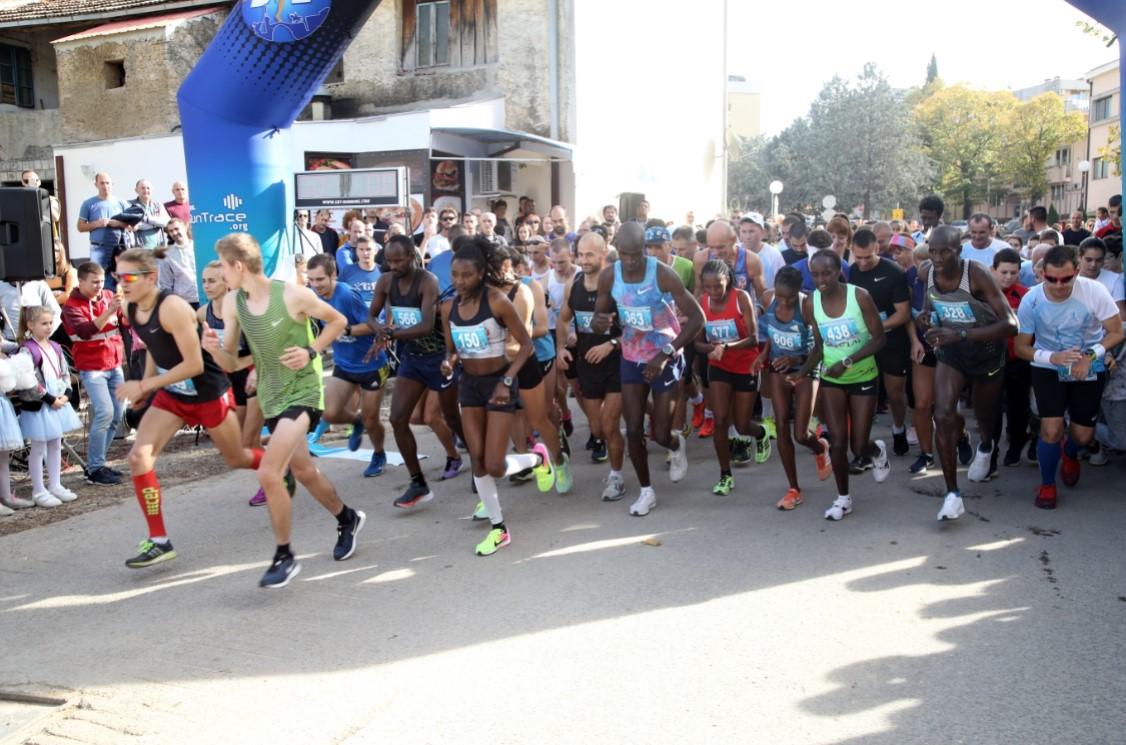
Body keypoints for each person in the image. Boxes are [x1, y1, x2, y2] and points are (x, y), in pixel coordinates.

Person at [203, 233, 365, 589]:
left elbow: (337, 321)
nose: (221, 277)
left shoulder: (292, 294)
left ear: (238, 266)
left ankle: (284, 555)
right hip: (272, 395)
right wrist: (213, 349)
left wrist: (311, 351)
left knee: (269, 472)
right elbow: (231, 362)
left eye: (223, 268)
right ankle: (347, 518)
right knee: (304, 471)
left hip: (305, 391)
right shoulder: (234, 304)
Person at [110, 250, 261, 566]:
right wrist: (148, 383)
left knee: (239, 458)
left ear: (151, 278)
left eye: (128, 277)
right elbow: (154, 346)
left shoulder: (174, 308)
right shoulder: (131, 306)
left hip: (207, 393)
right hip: (172, 396)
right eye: (117, 276)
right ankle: (159, 540)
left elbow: (194, 365)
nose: (121, 283)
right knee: (138, 457)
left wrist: (143, 385)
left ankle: (277, 463)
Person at [440, 237, 551, 556]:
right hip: (470, 386)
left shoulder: (498, 300)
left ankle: (537, 457)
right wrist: (448, 362)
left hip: (499, 384)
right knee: (478, 462)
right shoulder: (449, 307)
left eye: (467, 275)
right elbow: (453, 349)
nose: (460, 282)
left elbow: (526, 345)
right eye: (455, 275)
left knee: (496, 465)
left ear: (481, 273)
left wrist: (506, 380)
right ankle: (499, 529)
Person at [593, 222, 704, 516]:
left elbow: (697, 318)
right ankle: (646, 491)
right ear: (617, 250)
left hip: (663, 355)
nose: (630, 260)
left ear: (643, 249)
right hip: (631, 356)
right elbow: (598, 317)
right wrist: (599, 323)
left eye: (635, 254)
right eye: (625, 254)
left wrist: (665, 354)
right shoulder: (609, 275)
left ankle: (675, 443)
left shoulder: (661, 274)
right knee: (631, 429)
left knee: (660, 433)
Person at [917, 225, 1018, 521]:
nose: (937, 258)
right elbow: (930, 304)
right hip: (952, 354)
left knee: (986, 417)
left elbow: (1011, 325)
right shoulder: (927, 271)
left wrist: (960, 333)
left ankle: (987, 446)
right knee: (943, 413)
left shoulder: (975, 274)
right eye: (932, 251)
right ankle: (952, 494)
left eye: (944, 251)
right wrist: (926, 317)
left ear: (958, 251)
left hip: (986, 354)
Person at [1015, 244, 1124, 509]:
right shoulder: (1031, 299)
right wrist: (1052, 358)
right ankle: (1048, 484)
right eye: (1052, 279)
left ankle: (1071, 452)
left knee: (1083, 436)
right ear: (1041, 274)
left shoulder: (1094, 291)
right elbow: (1021, 347)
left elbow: (1117, 332)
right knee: (1051, 430)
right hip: (1048, 366)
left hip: (1088, 366)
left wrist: (1090, 356)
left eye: (1066, 279)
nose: (1059, 285)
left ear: (1076, 272)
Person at [791, 250, 890, 521]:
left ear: (839, 272)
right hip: (832, 379)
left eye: (827, 273)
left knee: (859, 446)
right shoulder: (811, 303)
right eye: (815, 274)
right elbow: (820, 346)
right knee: (837, 441)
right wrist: (802, 372)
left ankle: (877, 450)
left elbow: (880, 339)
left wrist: (847, 360)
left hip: (863, 376)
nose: (821, 279)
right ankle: (843, 499)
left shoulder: (859, 297)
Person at [368, 235, 465, 507]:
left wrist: (392, 334)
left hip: (438, 358)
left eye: (399, 260)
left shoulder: (427, 282)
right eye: (390, 260)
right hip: (412, 359)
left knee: (452, 419)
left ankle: (477, 462)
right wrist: (379, 331)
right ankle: (418, 483)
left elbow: (424, 325)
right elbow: (371, 316)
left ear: (412, 255)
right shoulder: (386, 281)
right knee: (399, 418)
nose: (394, 265)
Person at [305, 254, 389, 476]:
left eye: (320, 279)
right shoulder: (314, 296)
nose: (315, 285)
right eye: (311, 280)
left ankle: (379, 453)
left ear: (334, 275)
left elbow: (374, 325)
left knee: (373, 420)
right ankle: (356, 421)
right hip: (344, 364)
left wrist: (348, 330)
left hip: (370, 364)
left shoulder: (346, 295)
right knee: (331, 414)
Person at [495, 247, 571, 492]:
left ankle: (558, 451)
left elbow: (540, 327)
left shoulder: (530, 287)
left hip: (540, 354)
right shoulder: (486, 293)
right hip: (507, 360)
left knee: (544, 413)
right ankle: (525, 459)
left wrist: (508, 335)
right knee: (516, 413)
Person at [754, 267, 831, 509]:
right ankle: (794, 489)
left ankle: (820, 447)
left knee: (801, 434)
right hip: (778, 367)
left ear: (798, 291)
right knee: (781, 428)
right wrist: (762, 357)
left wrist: (797, 364)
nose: (784, 302)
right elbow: (769, 334)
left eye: (789, 298)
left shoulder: (807, 306)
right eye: (780, 296)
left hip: (806, 368)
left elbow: (820, 349)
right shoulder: (769, 298)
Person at [557, 233, 626, 500]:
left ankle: (617, 477)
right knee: (597, 429)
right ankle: (620, 438)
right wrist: (561, 347)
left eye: (590, 255)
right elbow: (563, 320)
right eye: (580, 254)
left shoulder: (618, 287)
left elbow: (636, 330)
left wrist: (611, 344)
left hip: (617, 363)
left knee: (609, 424)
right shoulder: (572, 286)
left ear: (603, 254)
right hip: (587, 364)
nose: (583, 260)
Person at [694, 260, 767, 496]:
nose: (714, 292)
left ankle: (761, 433)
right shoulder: (702, 303)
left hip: (745, 364)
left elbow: (754, 338)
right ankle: (725, 475)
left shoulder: (741, 298)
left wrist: (726, 346)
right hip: (719, 367)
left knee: (742, 424)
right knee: (721, 419)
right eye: (708, 287)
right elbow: (697, 342)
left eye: (719, 286)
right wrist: (711, 350)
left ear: (728, 281)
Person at [198, 261, 264, 505]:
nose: (206, 285)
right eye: (204, 280)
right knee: (238, 442)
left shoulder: (242, 309)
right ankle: (280, 457)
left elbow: (264, 344)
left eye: (212, 280)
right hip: (229, 378)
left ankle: (273, 479)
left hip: (254, 373)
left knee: (249, 440)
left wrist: (256, 369)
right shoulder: (202, 313)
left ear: (227, 283)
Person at [847, 228, 913, 456]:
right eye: (858, 257)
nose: (863, 262)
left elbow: (903, 314)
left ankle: (898, 427)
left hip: (892, 339)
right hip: (864, 342)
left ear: (877, 248)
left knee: (895, 393)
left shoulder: (893, 272)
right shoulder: (851, 272)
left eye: (868, 257)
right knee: (865, 392)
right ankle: (862, 442)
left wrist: (876, 327)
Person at [61, 262, 125, 486]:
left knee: (117, 415)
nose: (100, 286)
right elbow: (86, 332)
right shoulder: (71, 306)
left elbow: (123, 324)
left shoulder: (109, 295)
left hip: (114, 364)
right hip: (93, 368)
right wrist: (110, 311)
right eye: (94, 282)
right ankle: (95, 468)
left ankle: (96, 464)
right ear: (81, 282)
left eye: (101, 281)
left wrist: (125, 309)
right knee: (105, 414)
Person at [16, 306, 82, 507]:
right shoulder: (27, 349)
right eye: (43, 323)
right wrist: (49, 398)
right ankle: (38, 490)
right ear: (30, 325)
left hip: (57, 400)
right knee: (38, 448)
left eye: (50, 323)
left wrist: (66, 394)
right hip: (41, 403)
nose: (48, 327)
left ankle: (55, 484)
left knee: (56, 443)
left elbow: (64, 373)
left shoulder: (55, 346)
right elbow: (29, 380)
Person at [990, 249, 1031, 467]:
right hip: (989, 361)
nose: (1008, 277)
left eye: (1013, 272)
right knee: (992, 409)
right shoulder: (982, 294)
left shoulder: (1026, 295)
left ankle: (1016, 446)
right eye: (1004, 272)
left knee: (1018, 407)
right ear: (993, 270)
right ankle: (991, 450)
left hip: (1018, 361)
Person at [76, 172, 131, 291]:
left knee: (122, 279)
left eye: (107, 183)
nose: (105, 186)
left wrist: (118, 224)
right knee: (98, 279)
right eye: (102, 183)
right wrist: (97, 224)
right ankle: (102, 307)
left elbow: (134, 226)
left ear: (112, 184)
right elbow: (80, 227)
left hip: (118, 249)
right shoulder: (88, 204)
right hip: (98, 248)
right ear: (96, 184)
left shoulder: (122, 203)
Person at [1077, 237, 1126, 319]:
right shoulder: (1069, 278)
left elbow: (1122, 316)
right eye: (1089, 260)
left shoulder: (1114, 280)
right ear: (1079, 258)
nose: (1093, 264)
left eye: (1098, 260)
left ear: (1103, 260)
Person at [156, 219, 199, 307]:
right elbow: (165, 283)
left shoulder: (199, 246)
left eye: (176, 229)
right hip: (184, 301)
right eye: (171, 231)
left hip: (203, 298)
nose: (174, 233)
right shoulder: (167, 255)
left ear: (185, 227)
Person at [130, 179, 171, 250]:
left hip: (158, 249)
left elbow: (167, 222)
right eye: (143, 188)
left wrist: (146, 219)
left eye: (148, 188)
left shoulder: (158, 205)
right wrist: (157, 223)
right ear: (136, 190)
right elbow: (132, 226)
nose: (146, 190)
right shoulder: (129, 205)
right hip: (139, 251)